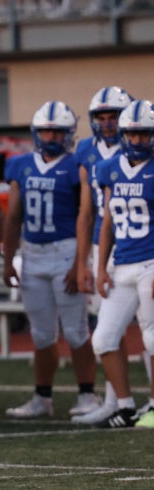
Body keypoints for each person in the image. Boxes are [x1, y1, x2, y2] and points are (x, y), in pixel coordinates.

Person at [2, 101, 98, 418]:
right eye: (46, 130)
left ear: (69, 133)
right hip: (32, 253)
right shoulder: (20, 164)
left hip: (66, 250)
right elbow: (13, 218)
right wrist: (8, 260)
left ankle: (87, 395)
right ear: (36, 132)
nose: (51, 136)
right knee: (41, 333)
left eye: (57, 130)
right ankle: (42, 398)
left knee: (76, 331)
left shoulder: (76, 165)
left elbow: (86, 216)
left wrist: (79, 263)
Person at [74, 85, 135, 425]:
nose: (108, 122)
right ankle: (116, 399)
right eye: (102, 116)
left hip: (142, 247)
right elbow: (86, 213)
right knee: (109, 328)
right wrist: (85, 261)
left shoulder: (144, 147)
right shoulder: (86, 150)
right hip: (105, 245)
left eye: (114, 116)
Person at [91, 99, 154, 429]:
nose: (137, 141)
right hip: (122, 263)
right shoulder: (109, 168)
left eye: (144, 134)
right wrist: (101, 267)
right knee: (103, 339)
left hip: (151, 262)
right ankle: (127, 406)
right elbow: (107, 223)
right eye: (132, 134)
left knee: (152, 338)